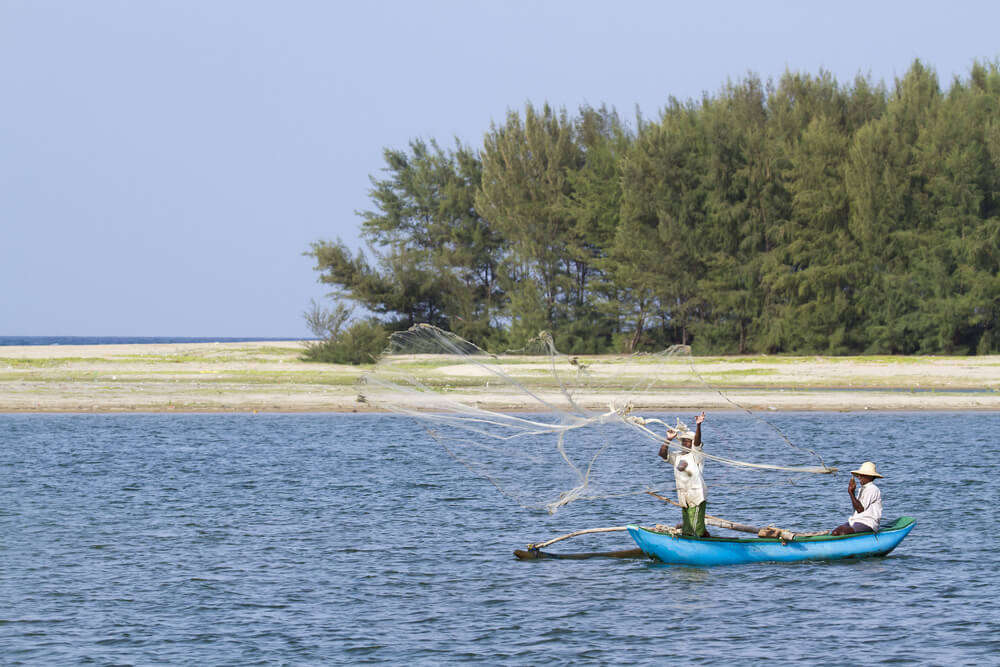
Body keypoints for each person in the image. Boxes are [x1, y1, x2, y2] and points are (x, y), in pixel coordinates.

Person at [658, 411, 710, 537]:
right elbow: (662, 454)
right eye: (683, 441)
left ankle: (698, 541)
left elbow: (697, 442)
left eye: (688, 441)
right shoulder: (677, 456)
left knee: (696, 525)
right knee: (687, 525)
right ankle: (688, 538)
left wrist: (698, 425)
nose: (685, 443)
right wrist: (668, 439)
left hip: (696, 494)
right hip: (683, 494)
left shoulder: (696, 455)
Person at [830, 461, 883, 535]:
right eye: (859, 475)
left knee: (842, 532)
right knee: (835, 532)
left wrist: (851, 492)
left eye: (862, 475)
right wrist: (852, 492)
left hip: (868, 523)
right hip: (856, 520)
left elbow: (860, 509)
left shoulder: (872, 489)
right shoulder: (862, 489)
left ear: (870, 476)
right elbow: (857, 507)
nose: (859, 477)